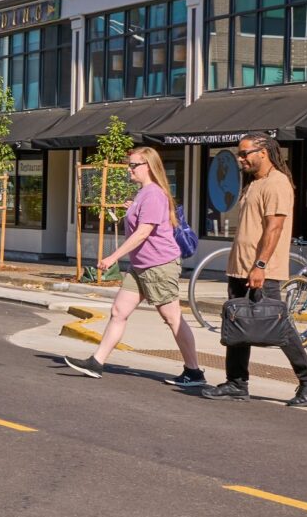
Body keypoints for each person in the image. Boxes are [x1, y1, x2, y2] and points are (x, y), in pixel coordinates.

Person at [198, 133, 307, 407]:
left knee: (279, 326)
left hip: (261, 271)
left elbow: (275, 228)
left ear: (264, 152)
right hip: (240, 268)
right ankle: (236, 382)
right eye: (239, 154)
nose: (240, 158)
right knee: (237, 324)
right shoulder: (254, 183)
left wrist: (260, 266)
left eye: (245, 153)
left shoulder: (277, 183)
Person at [62, 145, 205, 387]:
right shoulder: (144, 194)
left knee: (173, 319)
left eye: (133, 165)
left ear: (147, 167)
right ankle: (97, 362)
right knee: (119, 312)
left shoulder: (154, 194)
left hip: (159, 265)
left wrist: (113, 257)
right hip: (141, 266)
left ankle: (194, 371)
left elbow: (143, 233)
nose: (129, 169)